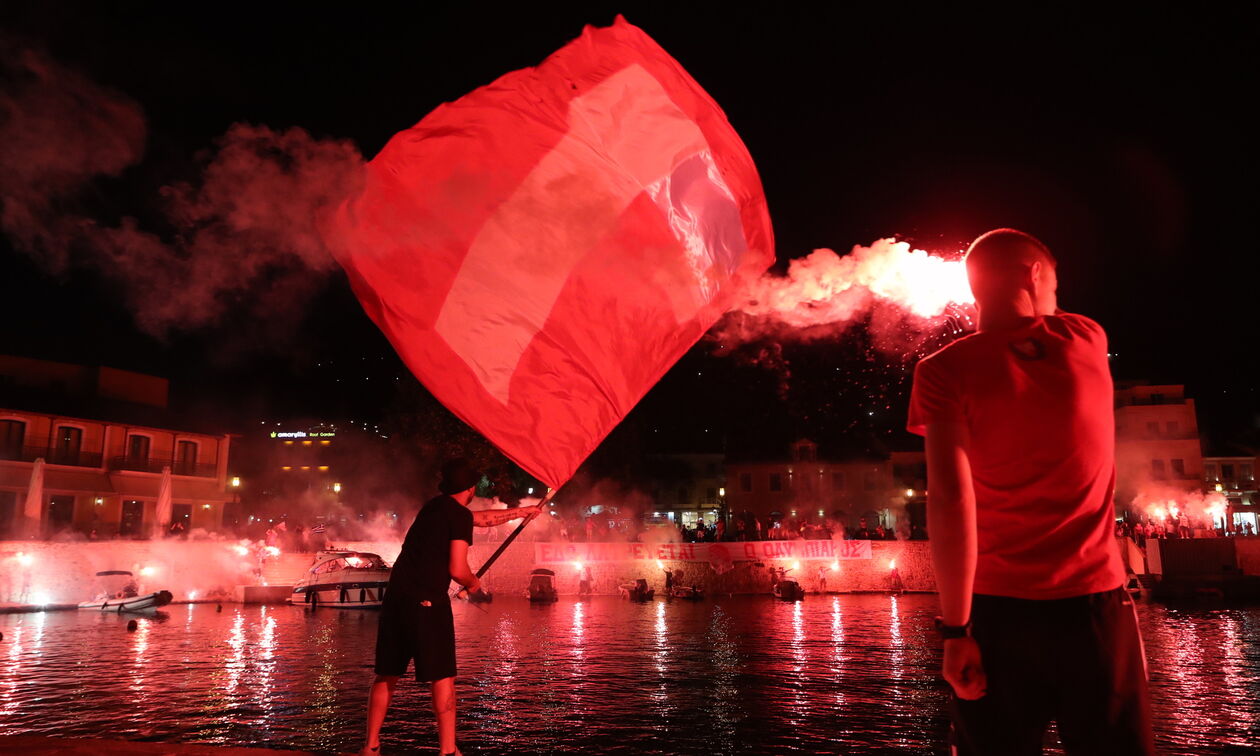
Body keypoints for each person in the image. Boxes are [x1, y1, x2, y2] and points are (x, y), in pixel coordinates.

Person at [908, 229, 1153, 755]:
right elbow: (1035, 329)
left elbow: (950, 500)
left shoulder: (940, 370)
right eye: (1054, 285)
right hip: (1095, 612)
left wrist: (955, 632)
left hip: (998, 616)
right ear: (1034, 274)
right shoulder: (1086, 336)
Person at [360, 458, 541, 756]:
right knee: (443, 677)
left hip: (396, 599)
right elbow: (458, 568)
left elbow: (479, 519)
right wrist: (473, 585)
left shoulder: (433, 507)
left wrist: (523, 513)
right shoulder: (456, 515)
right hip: (428, 601)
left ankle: (370, 747)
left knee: (386, 674)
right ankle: (448, 751)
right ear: (470, 489)